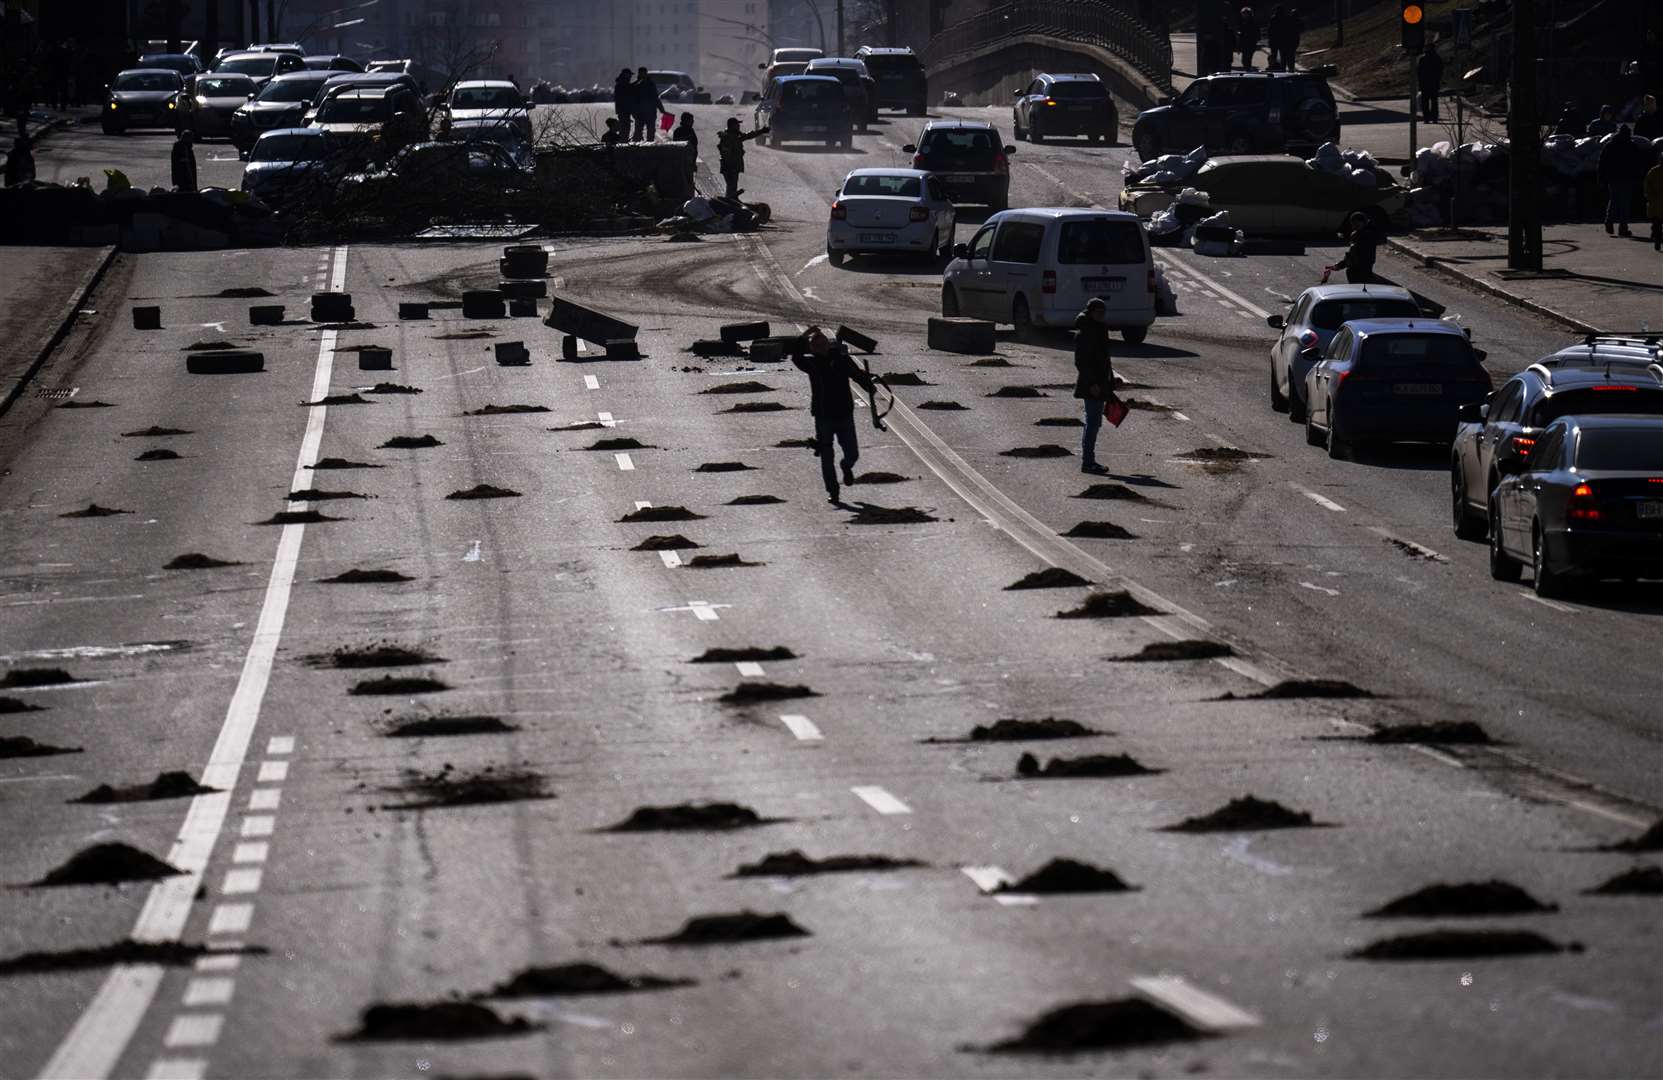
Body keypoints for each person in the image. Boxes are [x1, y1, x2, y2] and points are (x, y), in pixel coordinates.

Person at [791, 327, 878, 505]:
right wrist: (806, 333)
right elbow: (796, 357)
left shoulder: (841, 360)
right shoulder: (812, 364)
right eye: (816, 345)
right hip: (823, 416)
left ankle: (846, 465)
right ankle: (833, 492)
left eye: (823, 343)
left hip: (844, 413)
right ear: (812, 349)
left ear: (828, 345)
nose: (821, 347)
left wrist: (868, 385)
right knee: (826, 455)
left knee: (852, 453)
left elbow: (857, 375)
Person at [1074, 299, 1115, 475]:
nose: (1101, 315)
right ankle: (1088, 462)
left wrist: (1111, 380)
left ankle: (1089, 461)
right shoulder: (1086, 333)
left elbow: (1104, 361)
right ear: (1090, 312)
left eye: (1103, 312)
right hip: (1092, 385)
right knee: (1092, 423)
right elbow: (1082, 362)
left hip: (1099, 383)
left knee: (1094, 423)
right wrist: (1092, 384)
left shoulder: (1098, 330)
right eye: (1098, 312)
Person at [1598, 124, 1641, 236]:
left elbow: (1602, 163)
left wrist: (1601, 178)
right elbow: (1637, 164)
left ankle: (1609, 221)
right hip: (1627, 177)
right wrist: (1638, 178)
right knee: (1625, 202)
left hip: (1613, 178)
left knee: (1613, 200)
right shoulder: (1632, 146)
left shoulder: (1610, 145)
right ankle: (1623, 227)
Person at [717, 117, 766, 201]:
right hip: (729, 167)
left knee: (732, 187)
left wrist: (761, 131)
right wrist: (730, 166)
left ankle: (729, 203)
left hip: (733, 166)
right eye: (737, 125)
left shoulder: (734, 135)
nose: (739, 126)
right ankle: (728, 204)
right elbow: (726, 154)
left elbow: (748, 136)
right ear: (732, 126)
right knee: (731, 187)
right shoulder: (728, 137)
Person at [1325, 212, 1382, 284]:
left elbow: (1355, 253)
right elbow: (1352, 253)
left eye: (1356, 224)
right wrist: (1339, 265)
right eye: (1353, 224)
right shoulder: (1360, 233)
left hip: (1361, 268)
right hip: (1360, 267)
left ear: (1363, 222)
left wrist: (1340, 265)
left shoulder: (1365, 235)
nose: (1354, 226)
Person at [631, 67, 668, 142]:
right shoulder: (635, 85)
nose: (642, 75)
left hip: (650, 112)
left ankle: (649, 146)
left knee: (650, 131)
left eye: (644, 73)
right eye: (641, 73)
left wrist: (662, 109)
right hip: (639, 113)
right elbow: (631, 99)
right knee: (638, 131)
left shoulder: (650, 84)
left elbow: (655, 98)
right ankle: (636, 147)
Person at [1416, 41, 1444, 123]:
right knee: (1434, 102)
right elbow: (1440, 70)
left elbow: (1419, 72)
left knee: (1425, 102)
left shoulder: (1423, 58)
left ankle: (1426, 118)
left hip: (1425, 84)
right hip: (1434, 83)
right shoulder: (1437, 58)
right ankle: (1434, 118)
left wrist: (1420, 83)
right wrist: (1438, 80)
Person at [1645, 147, 1663, 252]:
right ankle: (1657, 237)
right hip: (1656, 201)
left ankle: (1657, 237)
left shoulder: (1653, 171)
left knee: (1656, 223)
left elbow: (1647, 186)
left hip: (1655, 202)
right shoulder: (1654, 171)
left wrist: (1649, 196)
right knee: (1657, 223)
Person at [171, 128, 198, 193]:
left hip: (186, 175)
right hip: (183, 177)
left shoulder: (187, 146)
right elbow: (184, 164)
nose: (192, 140)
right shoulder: (181, 147)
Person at [613, 68, 634, 139]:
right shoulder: (622, 84)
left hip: (623, 110)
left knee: (624, 126)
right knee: (625, 127)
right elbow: (624, 97)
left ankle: (623, 140)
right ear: (626, 74)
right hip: (623, 109)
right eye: (630, 75)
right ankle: (623, 141)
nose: (630, 76)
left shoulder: (622, 83)